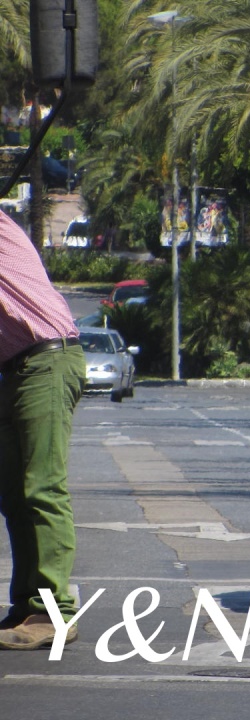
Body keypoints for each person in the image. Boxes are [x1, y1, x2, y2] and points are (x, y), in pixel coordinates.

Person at [0, 210, 87, 650]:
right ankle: (26, 606)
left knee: (41, 487)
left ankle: (55, 612)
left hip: (47, 360)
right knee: (14, 493)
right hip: (16, 367)